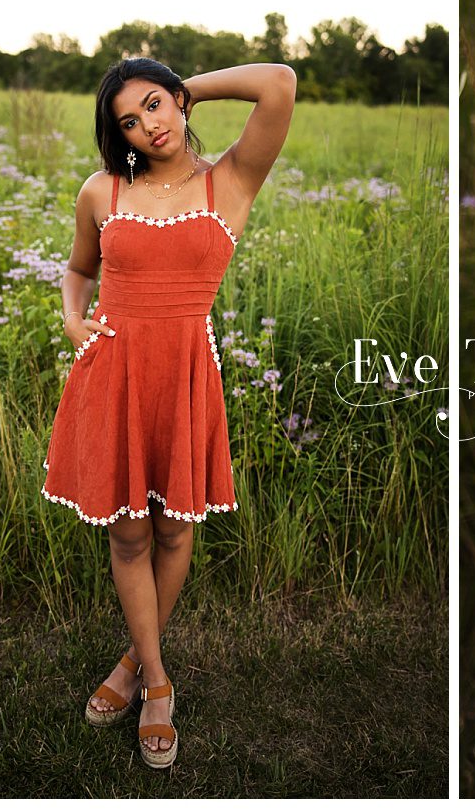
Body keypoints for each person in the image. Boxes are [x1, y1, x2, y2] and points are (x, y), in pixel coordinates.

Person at [44, 58, 295, 769]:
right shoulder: (103, 190)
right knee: (128, 535)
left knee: (175, 527)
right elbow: (78, 270)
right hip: (116, 376)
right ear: (117, 134)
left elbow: (279, 82)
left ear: (178, 100)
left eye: (155, 104)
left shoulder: (230, 181)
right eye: (130, 118)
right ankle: (156, 681)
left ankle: (131, 657)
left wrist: (187, 88)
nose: (149, 124)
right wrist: (71, 318)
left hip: (185, 377)